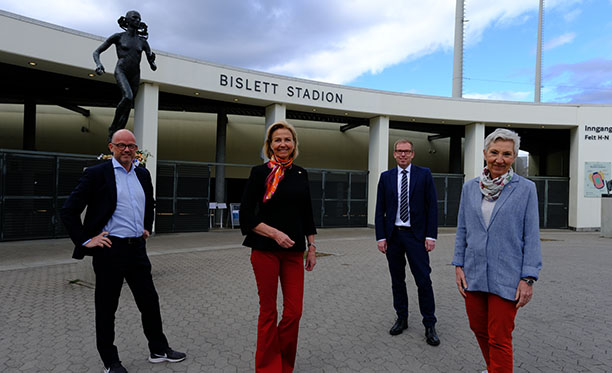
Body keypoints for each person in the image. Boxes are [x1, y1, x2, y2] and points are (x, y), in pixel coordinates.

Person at [60, 129, 185, 373]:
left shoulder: (142, 173)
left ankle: (158, 350)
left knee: (149, 302)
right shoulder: (97, 174)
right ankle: (110, 361)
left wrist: (146, 227)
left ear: (136, 148)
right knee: (107, 307)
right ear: (111, 148)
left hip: (136, 248)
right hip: (110, 249)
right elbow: (69, 210)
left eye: (131, 146)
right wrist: (86, 241)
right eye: (121, 145)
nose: (127, 150)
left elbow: (149, 202)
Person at [452, 128, 542, 373]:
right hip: (474, 272)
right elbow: (463, 229)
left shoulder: (525, 189)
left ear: (514, 157)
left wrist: (528, 278)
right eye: (494, 152)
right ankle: (494, 369)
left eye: (507, 154)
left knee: (500, 337)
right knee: (479, 328)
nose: (499, 159)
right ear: (484, 153)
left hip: (508, 277)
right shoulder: (470, 188)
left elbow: (531, 236)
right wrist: (458, 265)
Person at [240, 121, 317, 372]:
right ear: (270, 145)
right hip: (264, 251)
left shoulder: (300, 174)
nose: (282, 144)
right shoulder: (259, 173)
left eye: (287, 139)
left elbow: (307, 213)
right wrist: (274, 234)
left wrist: (312, 246)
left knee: (294, 313)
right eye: (277, 140)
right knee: (268, 312)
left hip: (294, 252)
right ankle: (267, 368)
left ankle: (284, 363)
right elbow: (246, 216)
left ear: (294, 144)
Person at [374, 139, 440, 346]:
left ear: (412, 154)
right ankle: (401, 318)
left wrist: (431, 236)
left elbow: (432, 207)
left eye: (407, 151)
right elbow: (379, 209)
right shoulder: (386, 177)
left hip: (416, 237)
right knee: (397, 280)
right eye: (399, 151)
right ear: (394, 154)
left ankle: (429, 324)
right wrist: (381, 237)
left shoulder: (424, 174)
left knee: (423, 280)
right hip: (394, 236)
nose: (403, 155)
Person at [93, 11, 157, 142]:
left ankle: (118, 135)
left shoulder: (142, 42)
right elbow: (97, 52)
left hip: (135, 74)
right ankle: (113, 127)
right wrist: (99, 64)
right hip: (121, 70)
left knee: (128, 105)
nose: (137, 20)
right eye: (134, 18)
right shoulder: (118, 37)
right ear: (127, 20)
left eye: (139, 18)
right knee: (127, 97)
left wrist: (152, 61)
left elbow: (152, 64)